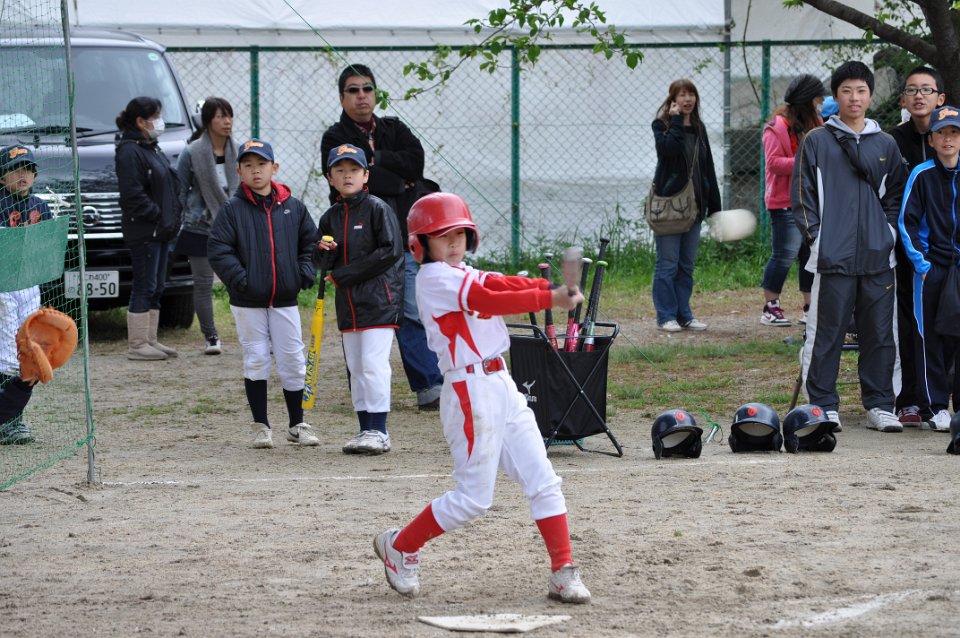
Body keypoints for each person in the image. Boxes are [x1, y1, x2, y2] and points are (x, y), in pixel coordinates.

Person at [372, 192, 591, 604]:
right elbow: (487, 300)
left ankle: (563, 569)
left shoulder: (462, 271)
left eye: (459, 233)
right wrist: (551, 298)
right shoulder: (434, 279)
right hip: (469, 390)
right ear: (421, 244)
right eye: (442, 236)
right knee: (473, 499)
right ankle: (400, 545)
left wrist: (549, 287)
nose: (453, 242)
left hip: (501, 383)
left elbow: (499, 283)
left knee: (543, 479)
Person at [792, 61, 908, 433]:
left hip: (878, 258)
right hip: (832, 259)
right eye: (846, 91)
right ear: (835, 96)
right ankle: (823, 406)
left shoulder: (886, 144)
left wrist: (887, 235)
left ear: (870, 96)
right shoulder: (816, 141)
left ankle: (881, 405)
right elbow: (803, 198)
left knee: (880, 334)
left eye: (861, 91)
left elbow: (896, 198)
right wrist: (819, 240)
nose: (854, 98)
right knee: (826, 335)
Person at [320, 63, 443, 411]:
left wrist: (377, 159)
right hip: (358, 246)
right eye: (353, 90)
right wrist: (396, 179)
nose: (362, 96)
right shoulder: (334, 137)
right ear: (342, 97)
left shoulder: (393, 128)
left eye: (367, 89)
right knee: (362, 315)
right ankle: (362, 390)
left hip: (402, 237)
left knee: (412, 310)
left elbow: (416, 164)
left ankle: (429, 385)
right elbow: (356, 184)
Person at [207, 139, 320, 449]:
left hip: (284, 298)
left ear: (274, 168)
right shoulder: (232, 210)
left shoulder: (293, 207)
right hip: (248, 300)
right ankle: (261, 426)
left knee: (293, 359)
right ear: (239, 171)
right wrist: (242, 280)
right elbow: (218, 249)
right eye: (248, 165)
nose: (255, 171)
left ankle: (297, 424)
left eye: (262, 164)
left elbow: (310, 244)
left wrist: (302, 274)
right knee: (256, 359)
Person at [316, 144, 404, 455]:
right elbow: (323, 262)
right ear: (330, 178)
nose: (347, 175)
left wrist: (345, 274)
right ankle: (365, 428)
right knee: (355, 367)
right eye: (339, 170)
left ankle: (380, 431)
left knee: (373, 364)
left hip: (379, 302)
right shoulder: (330, 217)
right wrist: (323, 252)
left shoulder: (378, 208)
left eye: (353, 170)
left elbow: (390, 251)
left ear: (366, 175)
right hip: (348, 305)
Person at [888, 66, 947, 427]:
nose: (919, 96)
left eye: (927, 89)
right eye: (912, 90)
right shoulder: (892, 141)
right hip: (909, 251)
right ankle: (909, 399)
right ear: (903, 100)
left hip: (947, 253)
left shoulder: (952, 135)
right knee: (911, 325)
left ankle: (942, 400)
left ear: (941, 97)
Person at [898, 105, 960, 433]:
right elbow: (906, 223)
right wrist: (923, 265)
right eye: (941, 133)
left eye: (954, 133)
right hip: (931, 270)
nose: (948, 139)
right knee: (929, 338)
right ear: (931, 140)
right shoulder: (921, 175)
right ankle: (935, 407)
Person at [650, 79, 721, 333]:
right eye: (682, 95)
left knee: (686, 265)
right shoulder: (662, 125)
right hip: (671, 207)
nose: (687, 99)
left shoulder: (700, 128)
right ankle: (666, 316)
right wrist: (677, 121)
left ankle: (684, 314)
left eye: (691, 94)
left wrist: (715, 207)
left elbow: (708, 168)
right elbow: (668, 151)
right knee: (668, 264)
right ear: (673, 99)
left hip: (695, 207)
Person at [115, 96, 182, 361]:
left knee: (157, 285)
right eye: (155, 117)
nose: (159, 122)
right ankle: (137, 344)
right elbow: (133, 194)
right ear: (140, 121)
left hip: (161, 230)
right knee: (144, 285)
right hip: (145, 231)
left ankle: (150, 339)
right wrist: (157, 216)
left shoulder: (150, 147)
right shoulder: (129, 151)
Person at [759, 74, 827, 326]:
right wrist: (806, 160)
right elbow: (774, 163)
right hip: (784, 201)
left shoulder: (817, 123)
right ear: (807, 100)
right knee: (784, 254)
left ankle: (810, 307)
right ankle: (770, 307)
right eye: (818, 98)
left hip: (810, 201)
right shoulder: (777, 126)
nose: (821, 103)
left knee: (810, 254)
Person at [176, 97, 238, 355]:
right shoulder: (192, 152)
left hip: (233, 225)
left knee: (240, 280)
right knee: (202, 283)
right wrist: (193, 213)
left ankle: (255, 333)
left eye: (229, 116)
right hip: (200, 226)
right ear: (208, 121)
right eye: (221, 116)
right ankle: (211, 336)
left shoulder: (240, 151)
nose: (227, 121)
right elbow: (180, 190)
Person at [0, 145, 51, 444]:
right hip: (3, 285)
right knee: (7, 352)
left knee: (28, 349)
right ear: (2, 177)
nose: (24, 175)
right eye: (16, 169)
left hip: (29, 284)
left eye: (29, 169)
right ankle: (7, 422)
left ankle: (14, 418)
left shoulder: (40, 206)